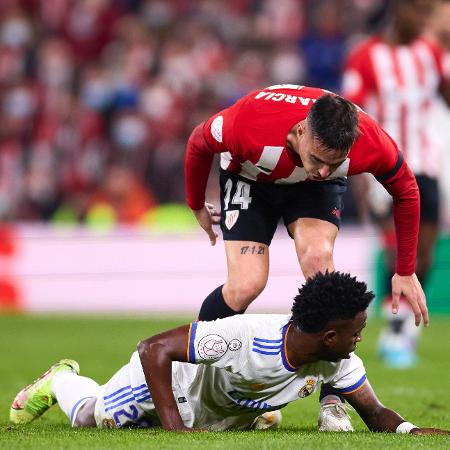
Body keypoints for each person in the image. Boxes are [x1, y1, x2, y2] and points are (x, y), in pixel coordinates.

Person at [185, 82, 426, 430]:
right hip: (250, 178)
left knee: (319, 263)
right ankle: (192, 375)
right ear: (300, 131)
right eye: (317, 159)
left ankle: (332, 400)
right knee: (245, 285)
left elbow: (406, 189)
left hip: (312, 194)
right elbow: (198, 141)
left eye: (336, 162)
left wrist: (405, 270)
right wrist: (195, 204)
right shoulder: (248, 124)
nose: (325, 169)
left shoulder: (368, 140)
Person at [9, 271, 449, 435]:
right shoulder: (245, 337)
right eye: (356, 331)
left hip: (217, 405)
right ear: (330, 335)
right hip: (162, 386)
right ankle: (62, 380)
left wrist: (413, 432)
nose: (360, 339)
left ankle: (252, 411)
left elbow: (375, 414)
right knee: (93, 419)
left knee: (238, 412)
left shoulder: (336, 360)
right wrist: (175, 429)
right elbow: (153, 349)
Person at [342, 0, 450, 368]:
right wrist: (358, 174)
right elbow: (350, 114)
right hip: (382, 166)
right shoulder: (365, 56)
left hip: (426, 164)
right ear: (398, 12)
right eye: (418, 13)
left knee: (426, 254)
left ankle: (401, 320)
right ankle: (398, 329)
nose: (424, 21)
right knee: (396, 250)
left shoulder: (430, 54)